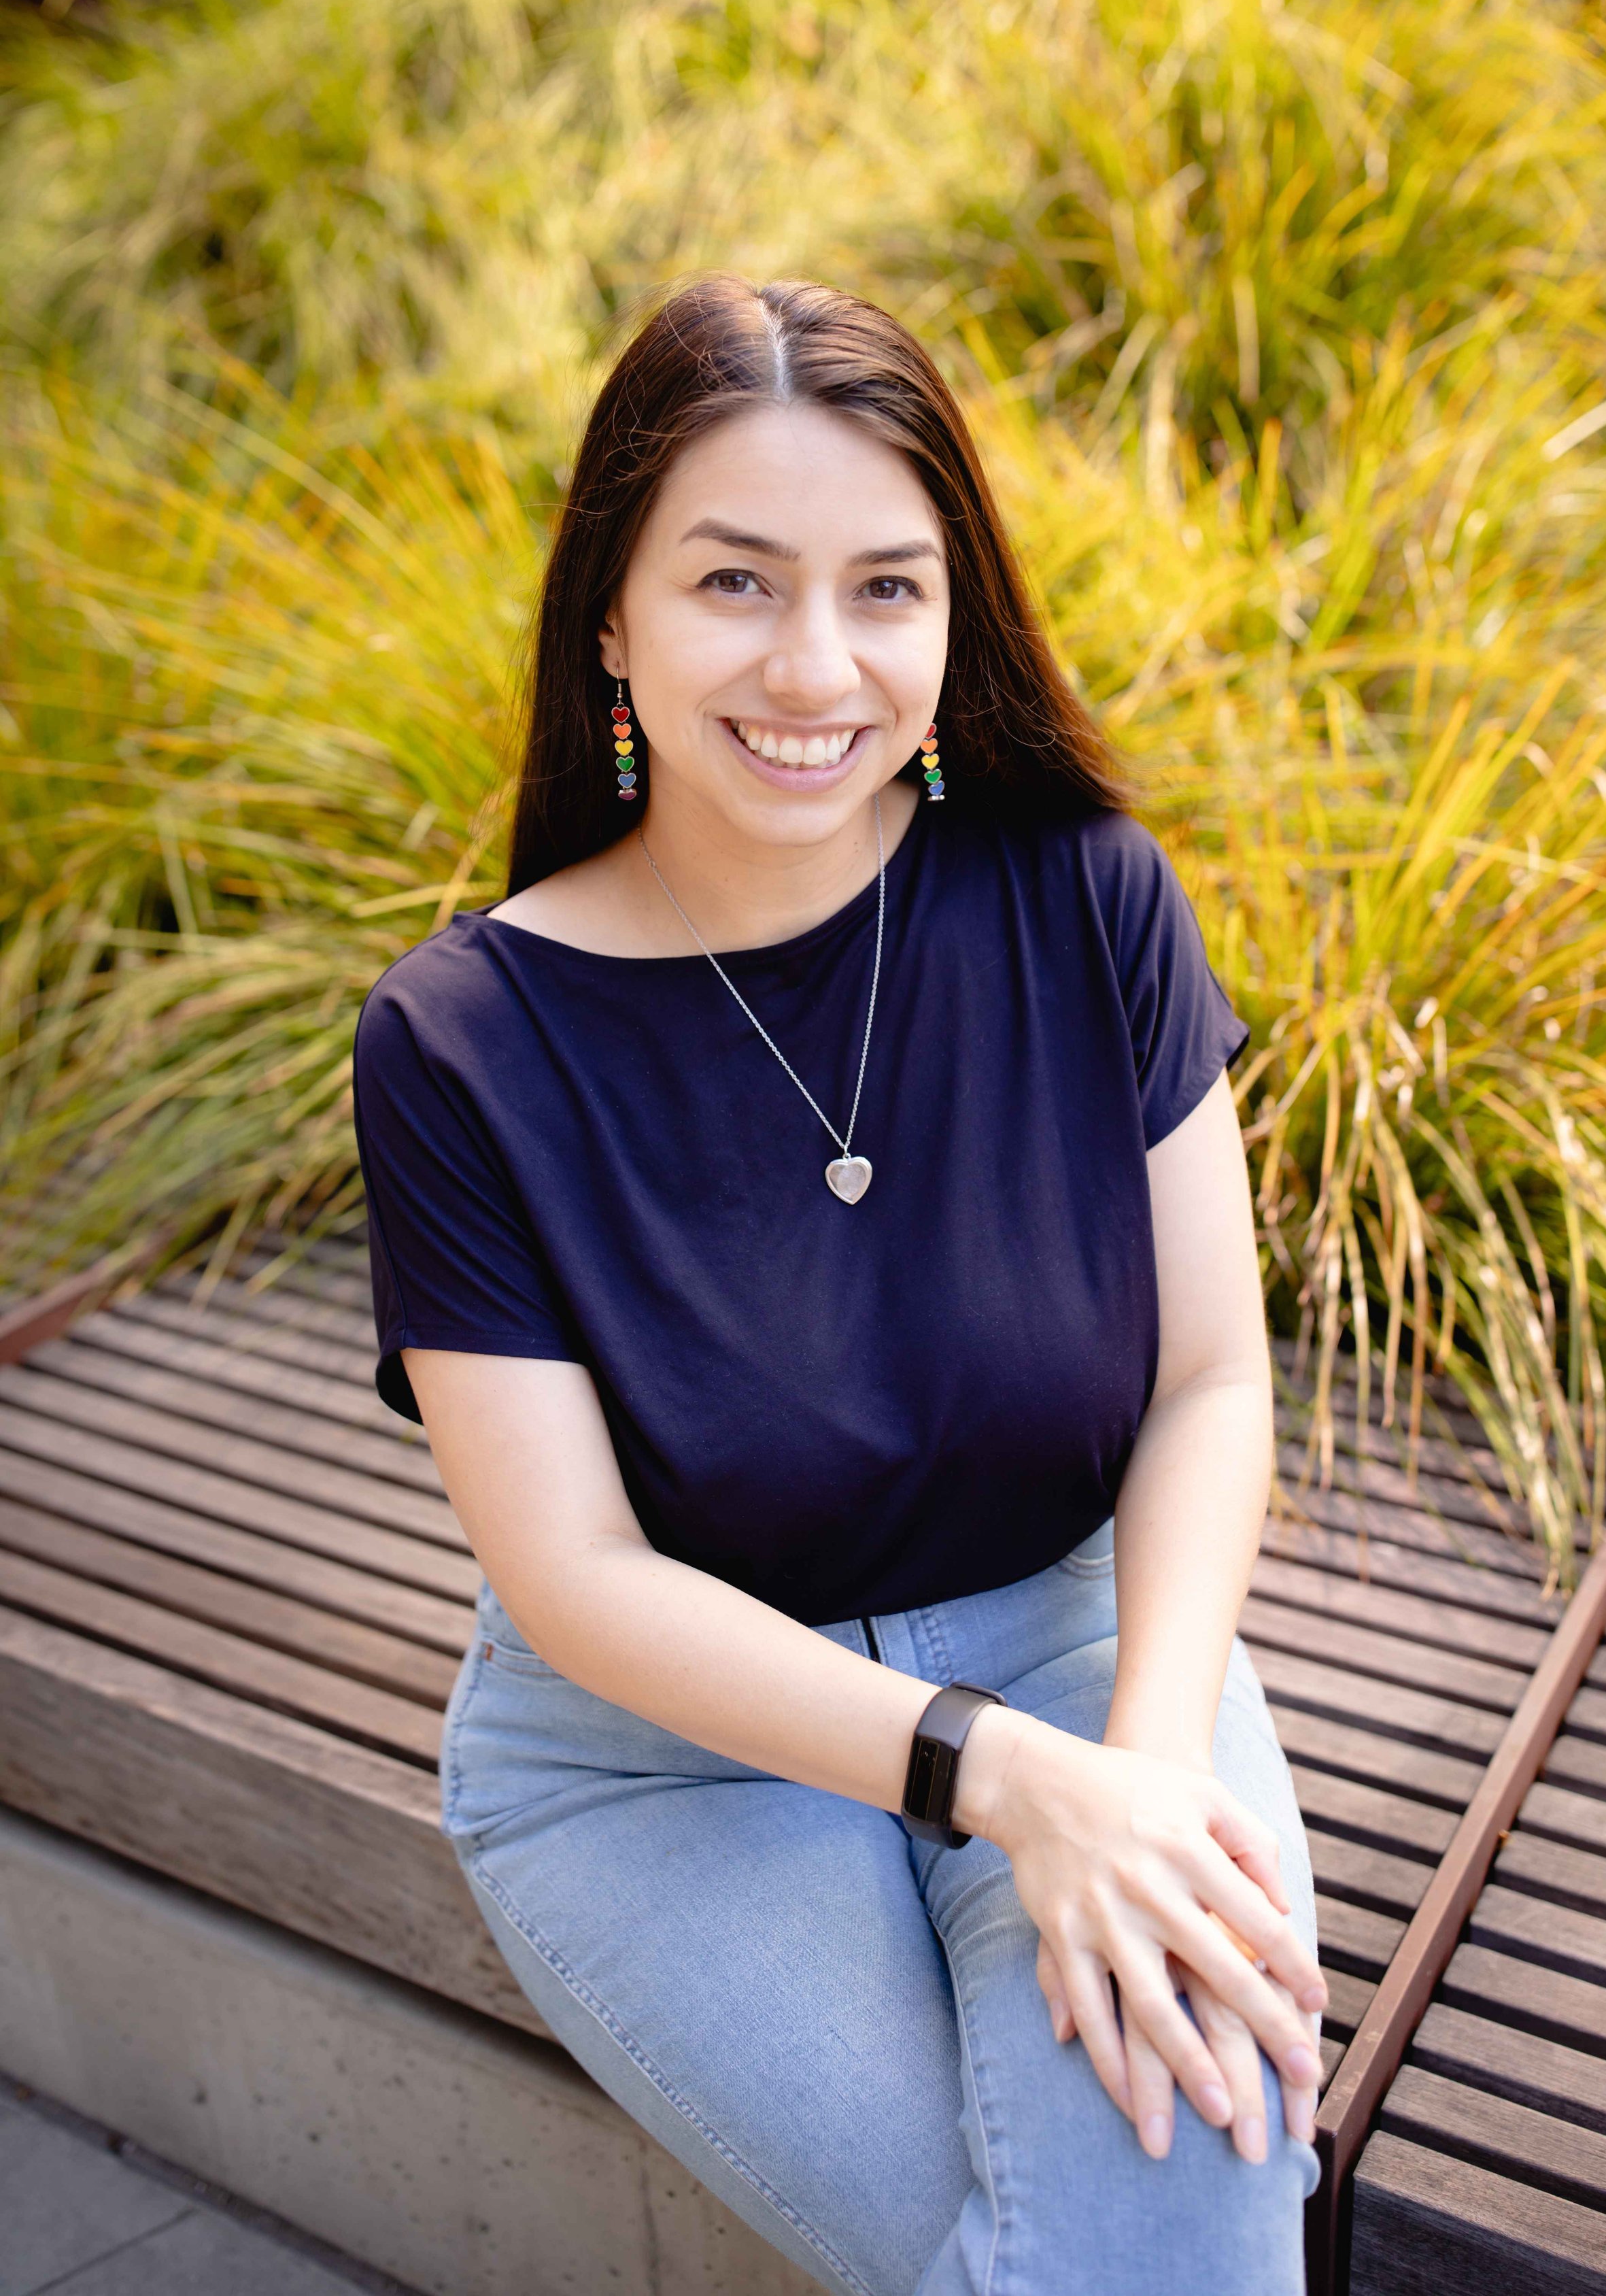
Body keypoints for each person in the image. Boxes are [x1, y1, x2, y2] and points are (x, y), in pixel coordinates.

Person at [352, 274, 1327, 2296]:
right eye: (734, 582)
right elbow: (579, 1582)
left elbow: (1210, 1384)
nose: (817, 664)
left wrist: (1133, 1775)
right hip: (665, 1747)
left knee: (1173, 2182)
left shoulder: (1081, 891)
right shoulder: (463, 1040)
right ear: (608, 619)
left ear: (952, 616)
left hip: (1086, 1657)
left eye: (886, 588)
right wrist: (1000, 1784)